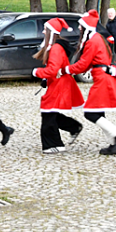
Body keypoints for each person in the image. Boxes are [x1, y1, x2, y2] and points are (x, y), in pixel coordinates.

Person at [64, 10, 116, 155]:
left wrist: (66, 69)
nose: (79, 29)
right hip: (103, 77)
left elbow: (83, 64)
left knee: (91, 113)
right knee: (98, 112)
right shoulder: (98, 38)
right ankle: (115, 145)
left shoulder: (93, 41)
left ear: (86, 27)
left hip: (102, 79)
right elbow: (87, 64)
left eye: (81, 26)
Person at [32, 18, 85, 154]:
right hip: (59, 82)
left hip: (59, 83)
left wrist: (37, 72)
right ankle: (73, 127)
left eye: (45, 29)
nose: (43, 31)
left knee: (48, 112)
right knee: (51, 112)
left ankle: (54, 144)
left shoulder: (55, 48)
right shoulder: (56, 47)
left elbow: (53, 70)